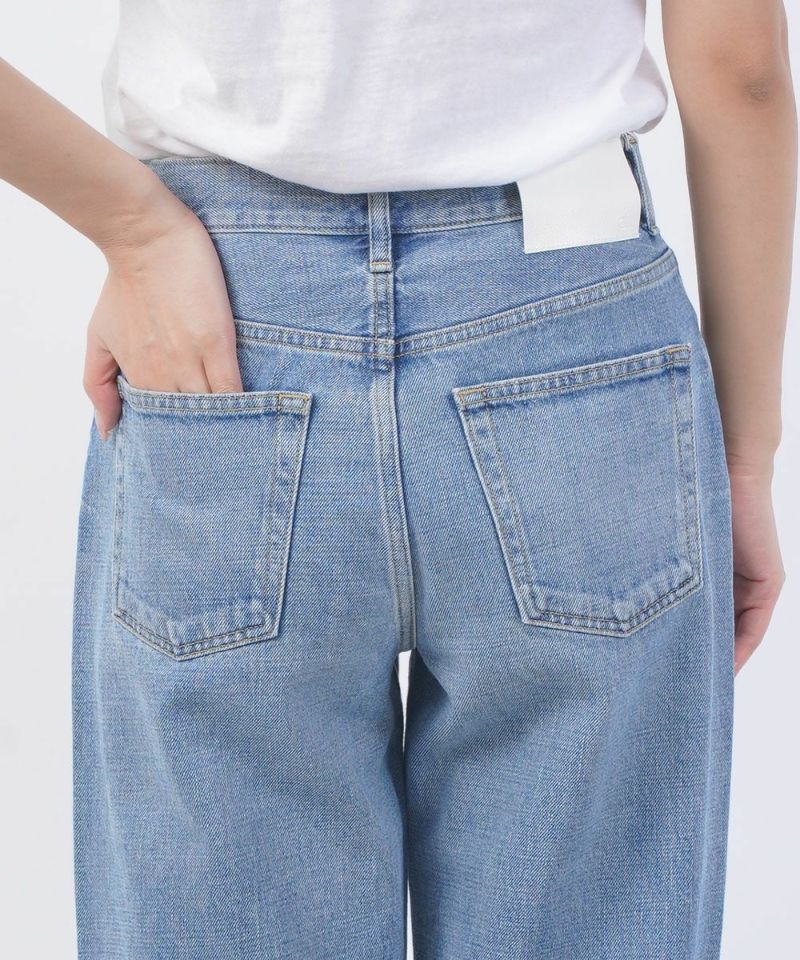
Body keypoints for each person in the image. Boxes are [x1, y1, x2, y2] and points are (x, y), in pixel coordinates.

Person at [1, 1, 794, 958]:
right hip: (573, 328)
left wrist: (134, 230)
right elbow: (740, 67)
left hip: (217, 323)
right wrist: (745, 456)